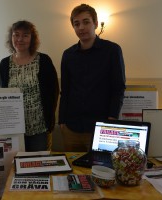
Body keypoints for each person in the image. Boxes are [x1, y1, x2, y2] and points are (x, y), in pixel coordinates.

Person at [59, 4, 126, 152]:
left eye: (86, 22)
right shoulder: (68, 55)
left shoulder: (112, 51)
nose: (81, 27)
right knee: (73, 170)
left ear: (95, 23)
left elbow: (118, 88)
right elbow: (65, 90)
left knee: (99, 170)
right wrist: (62, 121)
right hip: (72, 127)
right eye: (76, 24)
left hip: (101, 127)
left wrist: (112, 119)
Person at [0, 20, 59, 152]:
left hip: (38, 127)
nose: (20, 39)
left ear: (32, 39)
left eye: (25, 35)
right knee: (15, 167)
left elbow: (53, 92)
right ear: (11, 37)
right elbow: (3, 96)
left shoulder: (44, 60)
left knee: (37, 165)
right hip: (13, 128)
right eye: (16, 35)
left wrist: (50, 121)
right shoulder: (4, 64)